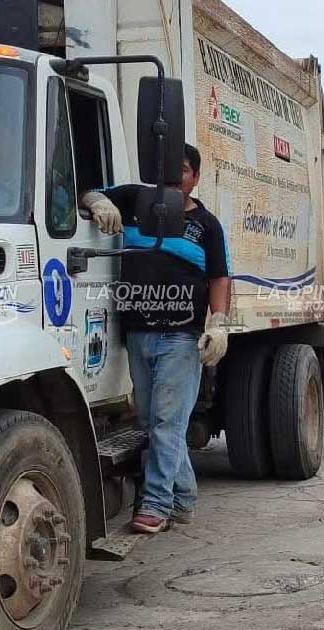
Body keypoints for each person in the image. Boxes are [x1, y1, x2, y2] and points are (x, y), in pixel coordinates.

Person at [81, 144, 231, 534]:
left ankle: (157, 504)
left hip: (181, 337)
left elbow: (219, 277)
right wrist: (98, 202)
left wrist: (219, 323)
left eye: (181, 170)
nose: (172, 175)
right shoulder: (132, 198)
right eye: (165, 167)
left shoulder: (208, 226)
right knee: (152, 423)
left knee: (167, 424)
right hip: (137, 333)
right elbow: (86, 191)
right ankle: (184, 499)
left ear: (195, 177)